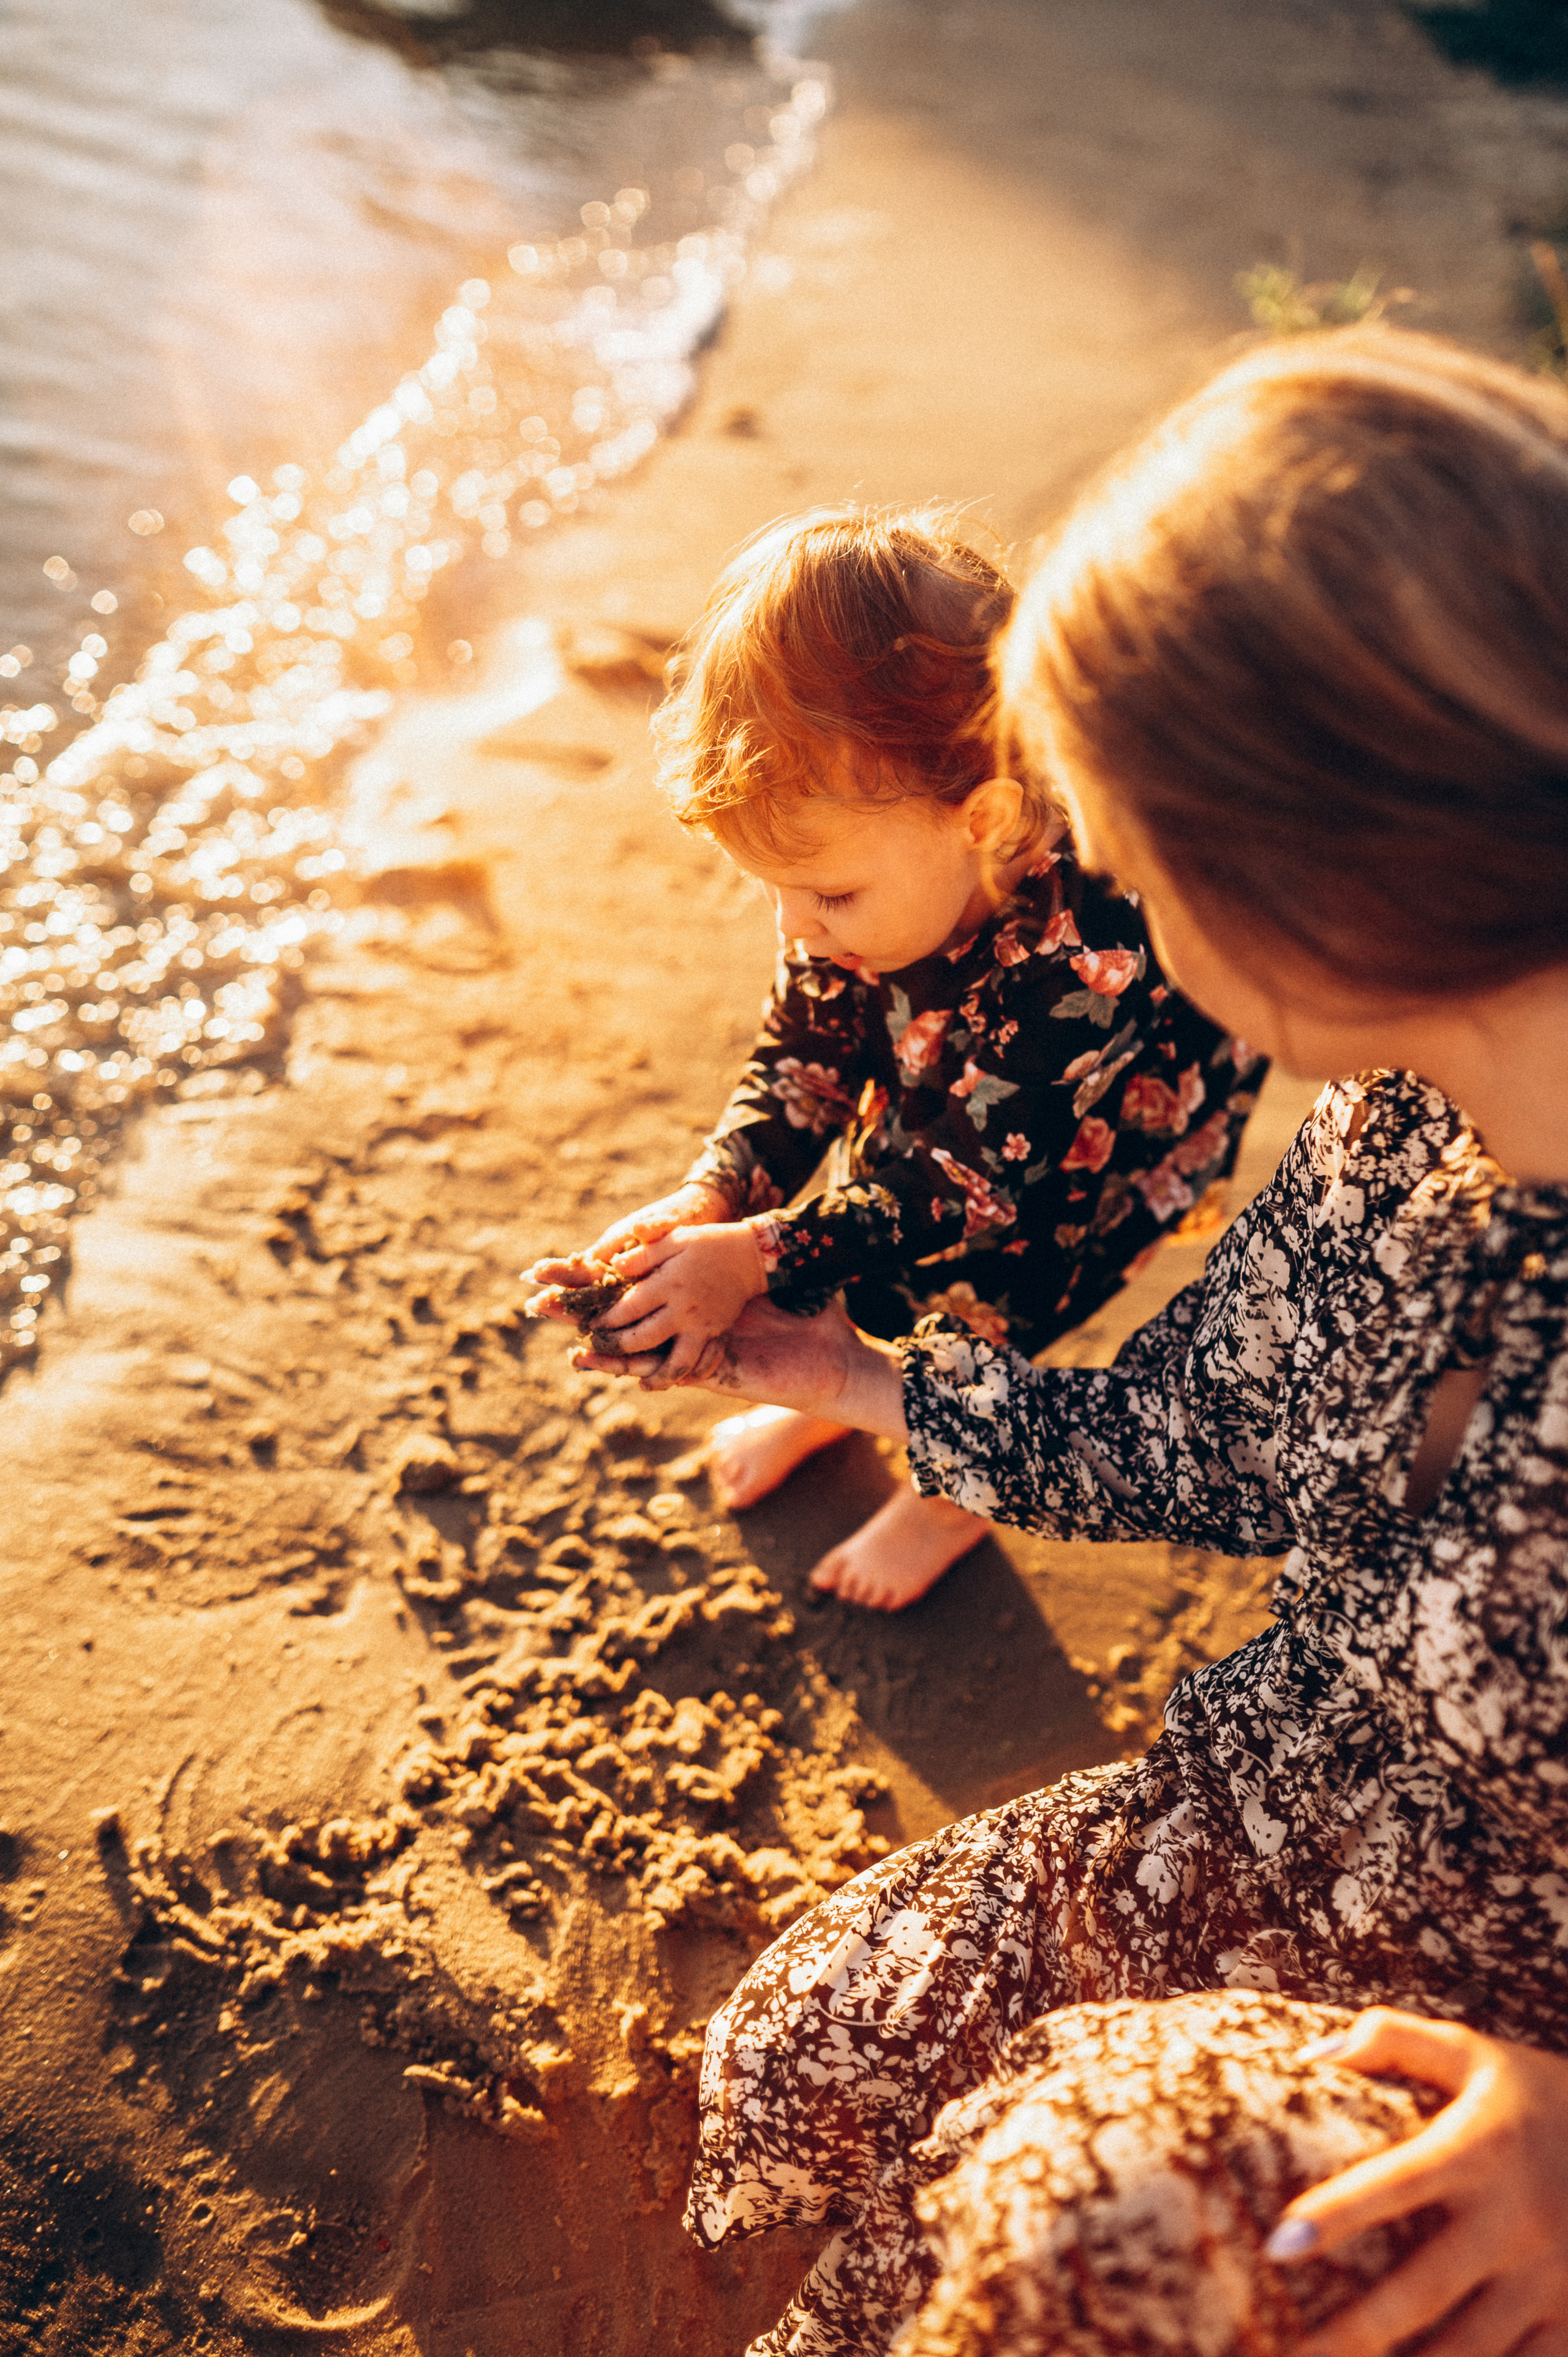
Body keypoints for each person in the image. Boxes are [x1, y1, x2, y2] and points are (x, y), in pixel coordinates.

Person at [571, 331, 1568, 2355]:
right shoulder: (1406, 1108)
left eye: (1135, 839)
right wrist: (845, 1377)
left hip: (1507, 2022)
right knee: (793, 2060)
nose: (1109, 897)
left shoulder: (1108, 996)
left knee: (1081, 2214)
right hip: (1270, 1803)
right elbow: (1211, 1429)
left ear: (1304, 866)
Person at [527, 506, 1260, 1608]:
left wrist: (757, 1257)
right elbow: (806, 1054)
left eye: (824, 893)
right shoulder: (877, 890)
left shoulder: (1087, 959)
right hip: (943, 1132)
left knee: (983, 1308)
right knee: (866, 1268)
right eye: (772, 891)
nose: (794, 930)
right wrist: (718, 1193)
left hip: (1059, 1171)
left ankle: (953, 1492)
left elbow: (958, 1191)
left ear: (988, 820)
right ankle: (851, 1385)